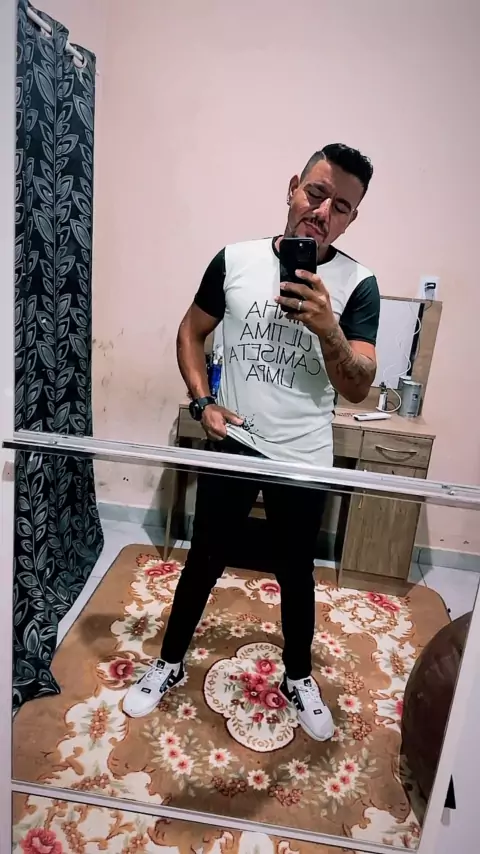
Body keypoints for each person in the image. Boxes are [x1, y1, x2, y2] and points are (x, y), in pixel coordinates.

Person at [123, 143, 380, 741]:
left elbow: (358, 385)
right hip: (238, 442)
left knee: (296, 572)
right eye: (316, 193)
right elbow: (191, 332)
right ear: (293, 187)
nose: (323, 212)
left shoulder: (359, 285)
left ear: (351, 219)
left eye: (341, 206)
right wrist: (201, 402)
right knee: (204, 559)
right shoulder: (234, 260)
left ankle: (298, 676)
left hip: (305, 455)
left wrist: (329, 329)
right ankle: (169, 661)